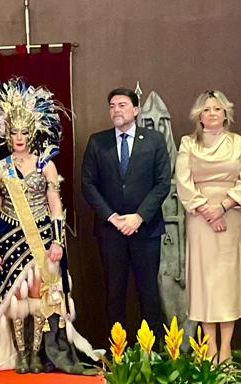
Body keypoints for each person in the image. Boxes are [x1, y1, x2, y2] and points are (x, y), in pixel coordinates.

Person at [0, 79, 99, 374]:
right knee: (16, 300)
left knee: (40, 298)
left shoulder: (45, 164)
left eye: (23, 132)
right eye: (13, 132)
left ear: (32, 133)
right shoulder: (0, 169)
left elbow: (55, 204)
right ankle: (22, 354)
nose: (18, 137)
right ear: (6, 134)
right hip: (10, 237)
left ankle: (39, 353)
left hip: (41, 236)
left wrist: (57, 241)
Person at [81, 87, 171, 338]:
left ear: (135, 110)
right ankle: (117, 353)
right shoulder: (98, 142)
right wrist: (111, 217)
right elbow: (88, 184)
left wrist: (139, 216)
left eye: (122, 105)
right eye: (112, 106)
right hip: (111, 230)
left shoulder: (153, 140)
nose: (116, 110)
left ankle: (152, 352)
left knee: (149, 292)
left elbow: (163, 182)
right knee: (114, 292)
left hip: (146, 229)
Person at [175, 90, 241, 362]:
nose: (212, 113)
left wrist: (221, 208)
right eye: (207, 109)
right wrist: (206, 210)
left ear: (226, 113)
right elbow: (183, 182)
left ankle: (225, 350)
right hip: (199, 220)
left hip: (231, 217)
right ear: (199, 115)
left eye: (217, 109)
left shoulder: (240, 143)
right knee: (205, 283)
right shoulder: (188, 144)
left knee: (227, 283)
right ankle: (209, 349)